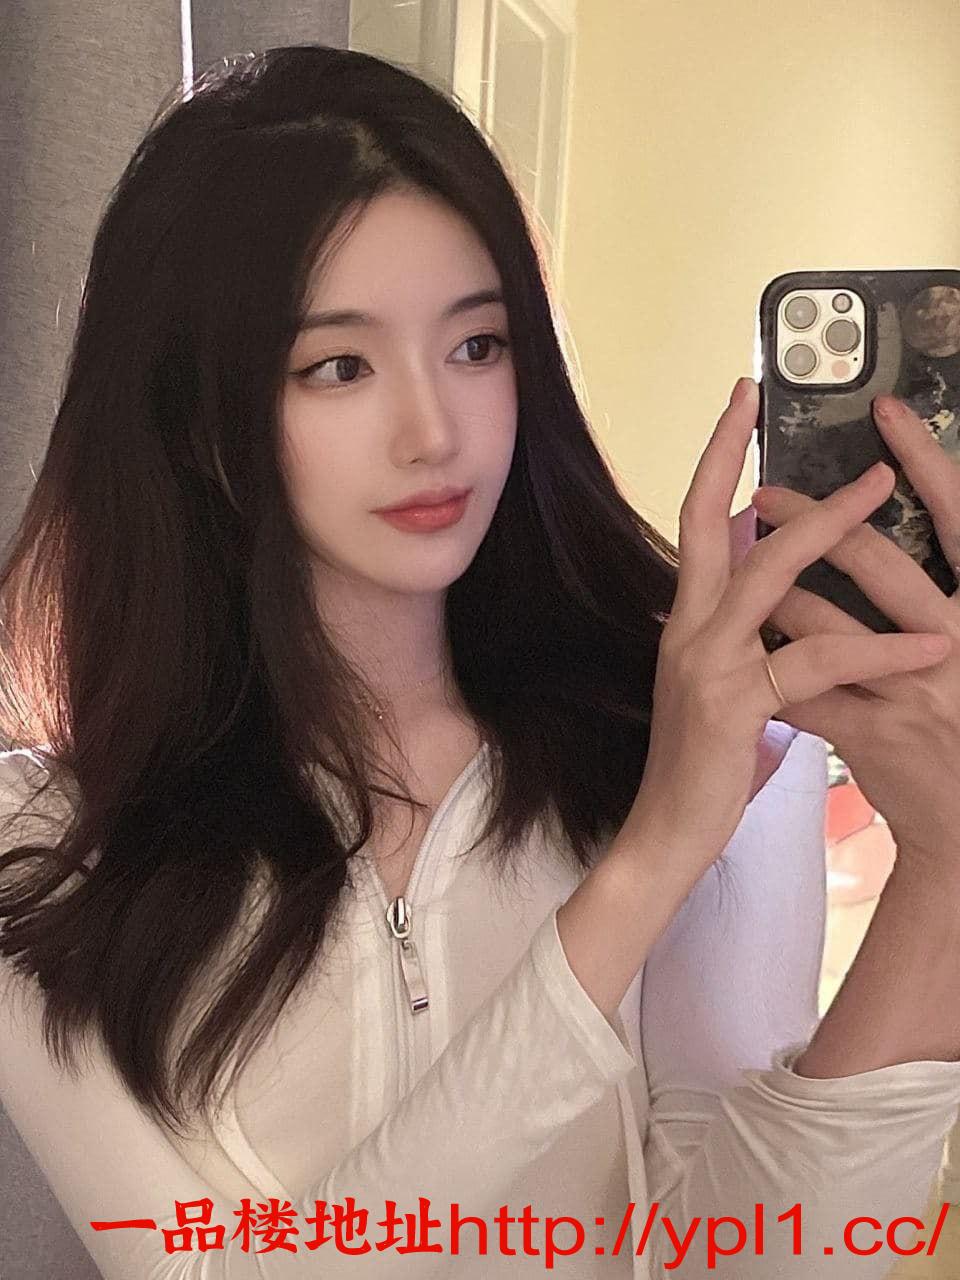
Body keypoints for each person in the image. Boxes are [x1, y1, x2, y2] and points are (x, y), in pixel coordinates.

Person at [1, 44, 959, 1279]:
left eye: (477, 346)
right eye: (339, 365)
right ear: (196, 416)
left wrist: (942, 866)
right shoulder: (45, 852)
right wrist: (650, 858)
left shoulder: (682, 742)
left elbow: (750, 1262)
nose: (435, 432)